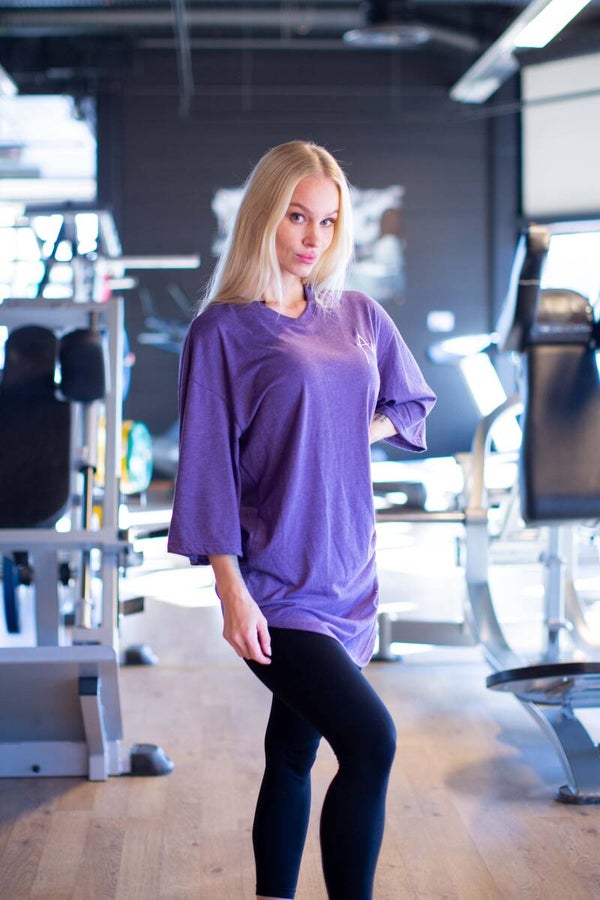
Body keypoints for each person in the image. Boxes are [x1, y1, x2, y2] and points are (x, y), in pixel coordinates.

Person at [167, 140, 436, 900]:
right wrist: (230, 591)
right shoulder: (222, 332)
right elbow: (208, 470)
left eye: (327, 220)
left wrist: (349, 431)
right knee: (371, 741)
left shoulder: (357, 314)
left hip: (349, 572)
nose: (314, 236)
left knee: (291, 753)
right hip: (276, 587)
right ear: (263, 217)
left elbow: (409, 402)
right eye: (296, 217)